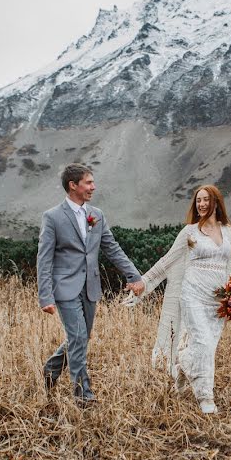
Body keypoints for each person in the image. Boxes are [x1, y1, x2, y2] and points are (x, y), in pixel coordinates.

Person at [37, 163, 145, 404]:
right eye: (88, 182)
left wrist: (134, 275)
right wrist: (45, 296)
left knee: (81, 338)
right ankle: (83, 395)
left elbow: (111, 248)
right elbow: (43, 259)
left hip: (91, 287)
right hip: (64, 287)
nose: (93, 187)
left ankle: (51, 369)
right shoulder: (52, 217)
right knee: (76, 337)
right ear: (72, 185)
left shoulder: (96, 214)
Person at [130, 185, 231, 414]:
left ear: (216, 202)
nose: (202, 204)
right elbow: (167, 261)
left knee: (209, 347)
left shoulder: (228, 231)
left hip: (217, 299)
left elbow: (227, 266)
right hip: (193, 294)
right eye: (198, 201)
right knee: (203, 343)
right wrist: (143, 282)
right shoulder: (189, 232)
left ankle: (182, 364)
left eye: (206, 200)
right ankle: (206, 396)